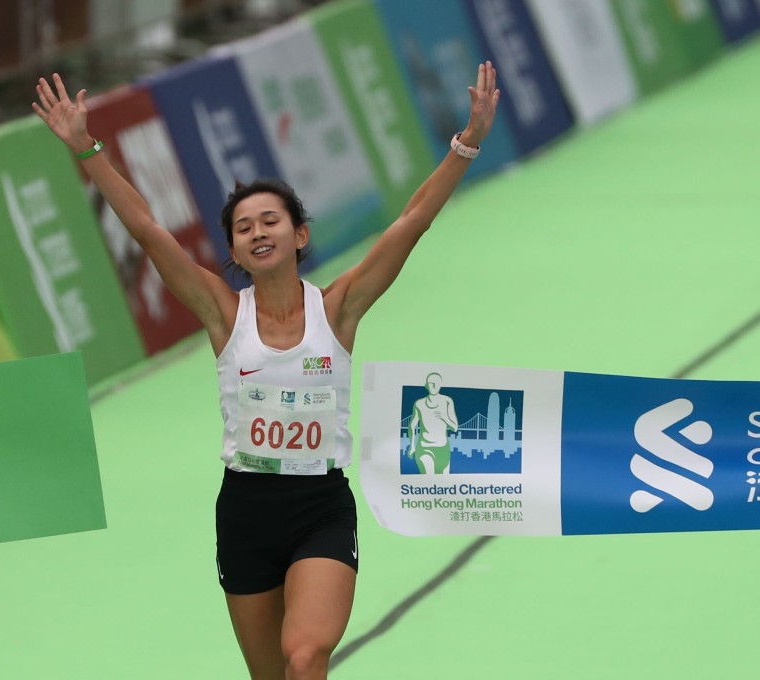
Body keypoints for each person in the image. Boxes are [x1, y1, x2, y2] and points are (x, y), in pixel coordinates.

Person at [33, 60, 499, 680]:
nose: (258, 231)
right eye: (243, 227)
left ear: (299, 234)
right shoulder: (223, 315)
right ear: (233, 251)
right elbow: (147, 230)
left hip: (320, 507)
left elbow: (410, 222)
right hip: (246, 511)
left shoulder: (338, 308)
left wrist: (467, 143)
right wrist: (86, 148)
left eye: (270, 221)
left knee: (304, 658)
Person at [408, 372, 459, 474]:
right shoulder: (419, 404)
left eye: (436, 383)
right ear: (426, 385)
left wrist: (444, 418)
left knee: (444, 484)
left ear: (441, 384)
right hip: (424, 447)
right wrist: (412, 446)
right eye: (431, 383)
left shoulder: (447, 401)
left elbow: (455, 427)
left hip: (443, 448)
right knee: (429, 480)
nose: (434, 386)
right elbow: (412, 425)